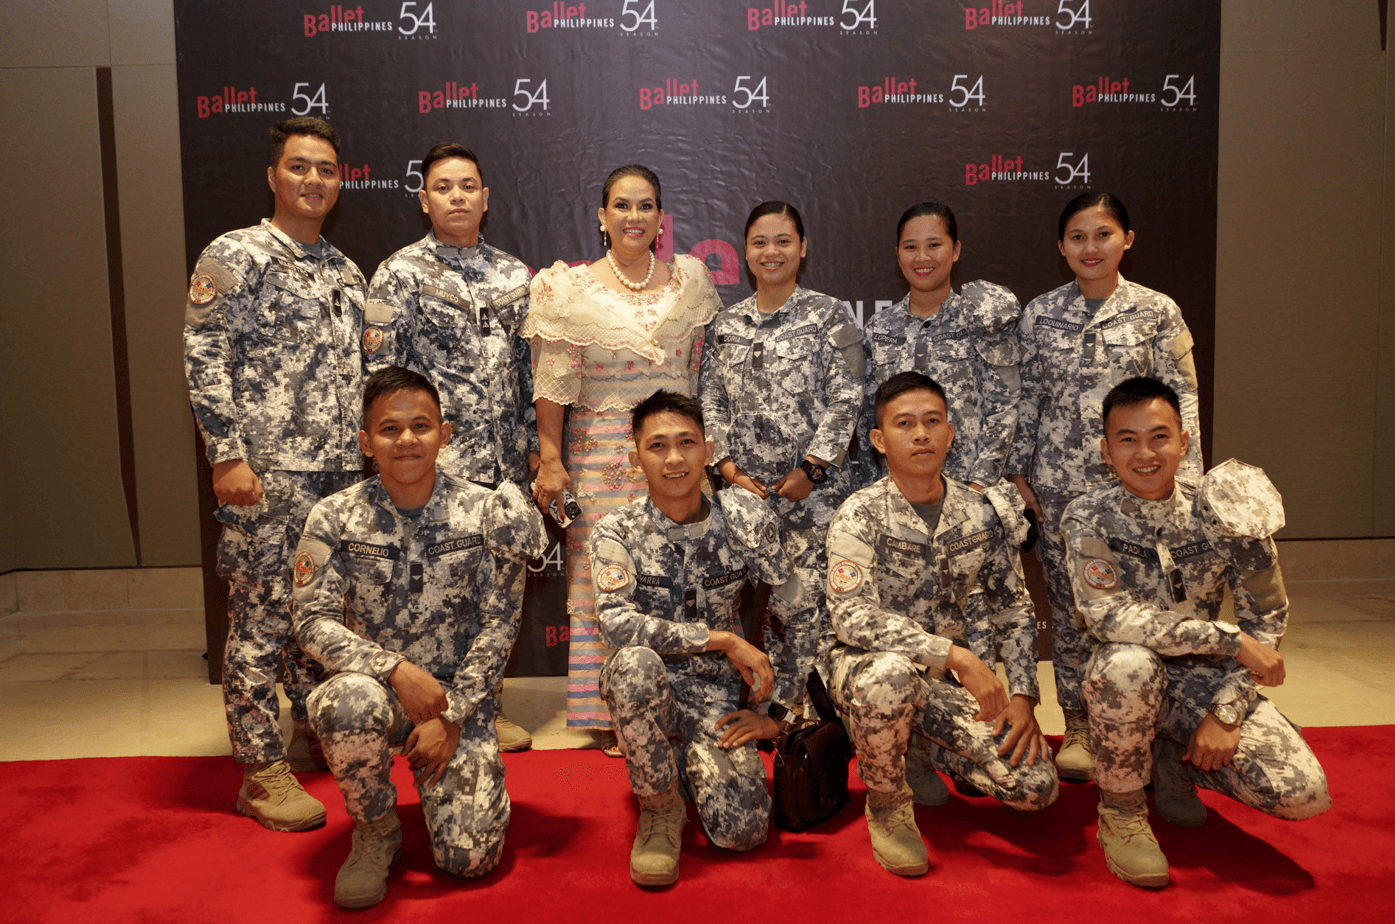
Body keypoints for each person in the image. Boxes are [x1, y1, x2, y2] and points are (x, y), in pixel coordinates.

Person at [291, 367, 547, 908]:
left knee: (468, 861)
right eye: (389, 429)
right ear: (365, 442)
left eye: (421, 425)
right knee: (342, 701)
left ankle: (459, 790)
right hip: (379, 689)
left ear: (445, 433)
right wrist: (394, 670)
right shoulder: (333, 516)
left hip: (460, 696)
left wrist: (451, 717)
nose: (406, 440)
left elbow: (499, 625)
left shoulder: (487, 512)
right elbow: (311, 621)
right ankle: (376, 827)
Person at [1063, 376, 1329, 888]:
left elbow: (1266, 618)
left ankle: (1171, 760)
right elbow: (1108, 617)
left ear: (1184, 442)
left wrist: (1226, 712)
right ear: (1105, 450)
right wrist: (1230, 641)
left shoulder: (1226, 508)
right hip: (1124, 678)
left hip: (1204, 681)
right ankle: (1121, 811)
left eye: (1160, 436)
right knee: (1127, 661)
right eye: (1127, 439)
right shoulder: (1087, 516)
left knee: (1302, 792)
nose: (1145, 453)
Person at [183, 116, 365, 831]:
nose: (312, 180)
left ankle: (309, 731)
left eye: (325, 168)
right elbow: (203, 354)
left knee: (320, 613)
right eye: (298, 167)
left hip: (338, 478)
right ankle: (259, 771)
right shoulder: (236, 254)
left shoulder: (345, 271)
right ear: (273, 177)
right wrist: (226, 453)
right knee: (259, 618)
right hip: (265, 473)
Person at [826, 371, 1057, 877]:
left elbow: (1014, 607)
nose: (921, 434)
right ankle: (887, 803)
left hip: (939, 687)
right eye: (904, 424)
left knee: (1034, 786)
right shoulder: (858, 515)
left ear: (951, 433)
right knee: (889, 676)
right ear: (879, 441)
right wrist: (956, 656)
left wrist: (1022, 696)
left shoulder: (978, 513)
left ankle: (918, 746)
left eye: (933, 422)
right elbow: (850, 617)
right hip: (869, 674)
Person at [523, 165, 722, 752]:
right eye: (622, 206)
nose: (634, 217)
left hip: (680, 457)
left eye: (646, 206)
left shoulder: (690, 281)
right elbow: (553, 381)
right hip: (600, 455)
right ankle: (613, 709)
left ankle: (686, 700)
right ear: (601, 217)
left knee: (678, 574)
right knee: (606, 582)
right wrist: (551, 459)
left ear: (662, 218)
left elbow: (705, 374)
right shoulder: (568, 288)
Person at [1006, 192, 1202, 782]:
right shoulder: (1041, 314)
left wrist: (1185, 481)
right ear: (1061, 245)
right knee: (1070, 612)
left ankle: (1159, 733)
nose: (1090, 248)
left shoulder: (1157, 312)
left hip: (1140, 491)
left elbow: (1183, 397)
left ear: (1127, 239)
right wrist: (1019, 473)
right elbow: (1028, 399)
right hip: (1062, 493)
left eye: (1103, 235)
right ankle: (1084, 724)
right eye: (1077, 237)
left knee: (1151, 608)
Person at [591, 390, 812, 886]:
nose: (674, 458)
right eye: (657, 446)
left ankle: (686, 761)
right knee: (632, 666)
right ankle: (661, 807)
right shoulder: (616, 530)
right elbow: (616, 624)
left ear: (708, 451)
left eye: (687, 443)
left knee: (743, 830)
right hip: (649, 689)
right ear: (635, 459)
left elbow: (796, 608)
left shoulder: (743, 520)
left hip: (715, 693)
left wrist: (776, 714)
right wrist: (722, 639)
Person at [364, 142, 537, 752]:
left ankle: (486, 703)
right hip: (433, 468)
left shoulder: (518, 276)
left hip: (505, 467)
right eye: (443, 187)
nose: (457, 196)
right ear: (424, 199)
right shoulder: (399, 274)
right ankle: (425, 706)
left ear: (486, 199)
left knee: (496, 595)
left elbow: (531, 374)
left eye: (468, 186)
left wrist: (538, 453)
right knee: (437, 593)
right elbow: (383, 378)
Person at [699, 199, 863, 690]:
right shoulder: (726, 325)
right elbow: (709, 400)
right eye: (760, 242)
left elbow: (847, 398)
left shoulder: (829, 316)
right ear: (745, 253)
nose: (772, 252)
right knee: (725, 602)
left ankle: (796, 710)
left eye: (783, 241)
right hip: (743, 497)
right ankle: (740, 699)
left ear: (803, 248)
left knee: (803, 605)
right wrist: (727, 469)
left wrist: (811, 471)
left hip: (813, 496)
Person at [859, 201, 1020, 489]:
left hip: (969, 490)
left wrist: (980, 483)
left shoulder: (982, 319)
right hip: (897, 492)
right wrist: (876, 487)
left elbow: (1004, 404)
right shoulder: (879, 327)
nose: (922, 257)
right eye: (910, 247)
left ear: (955, 249)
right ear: (897, 255)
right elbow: (870, 417)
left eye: (934, 245)